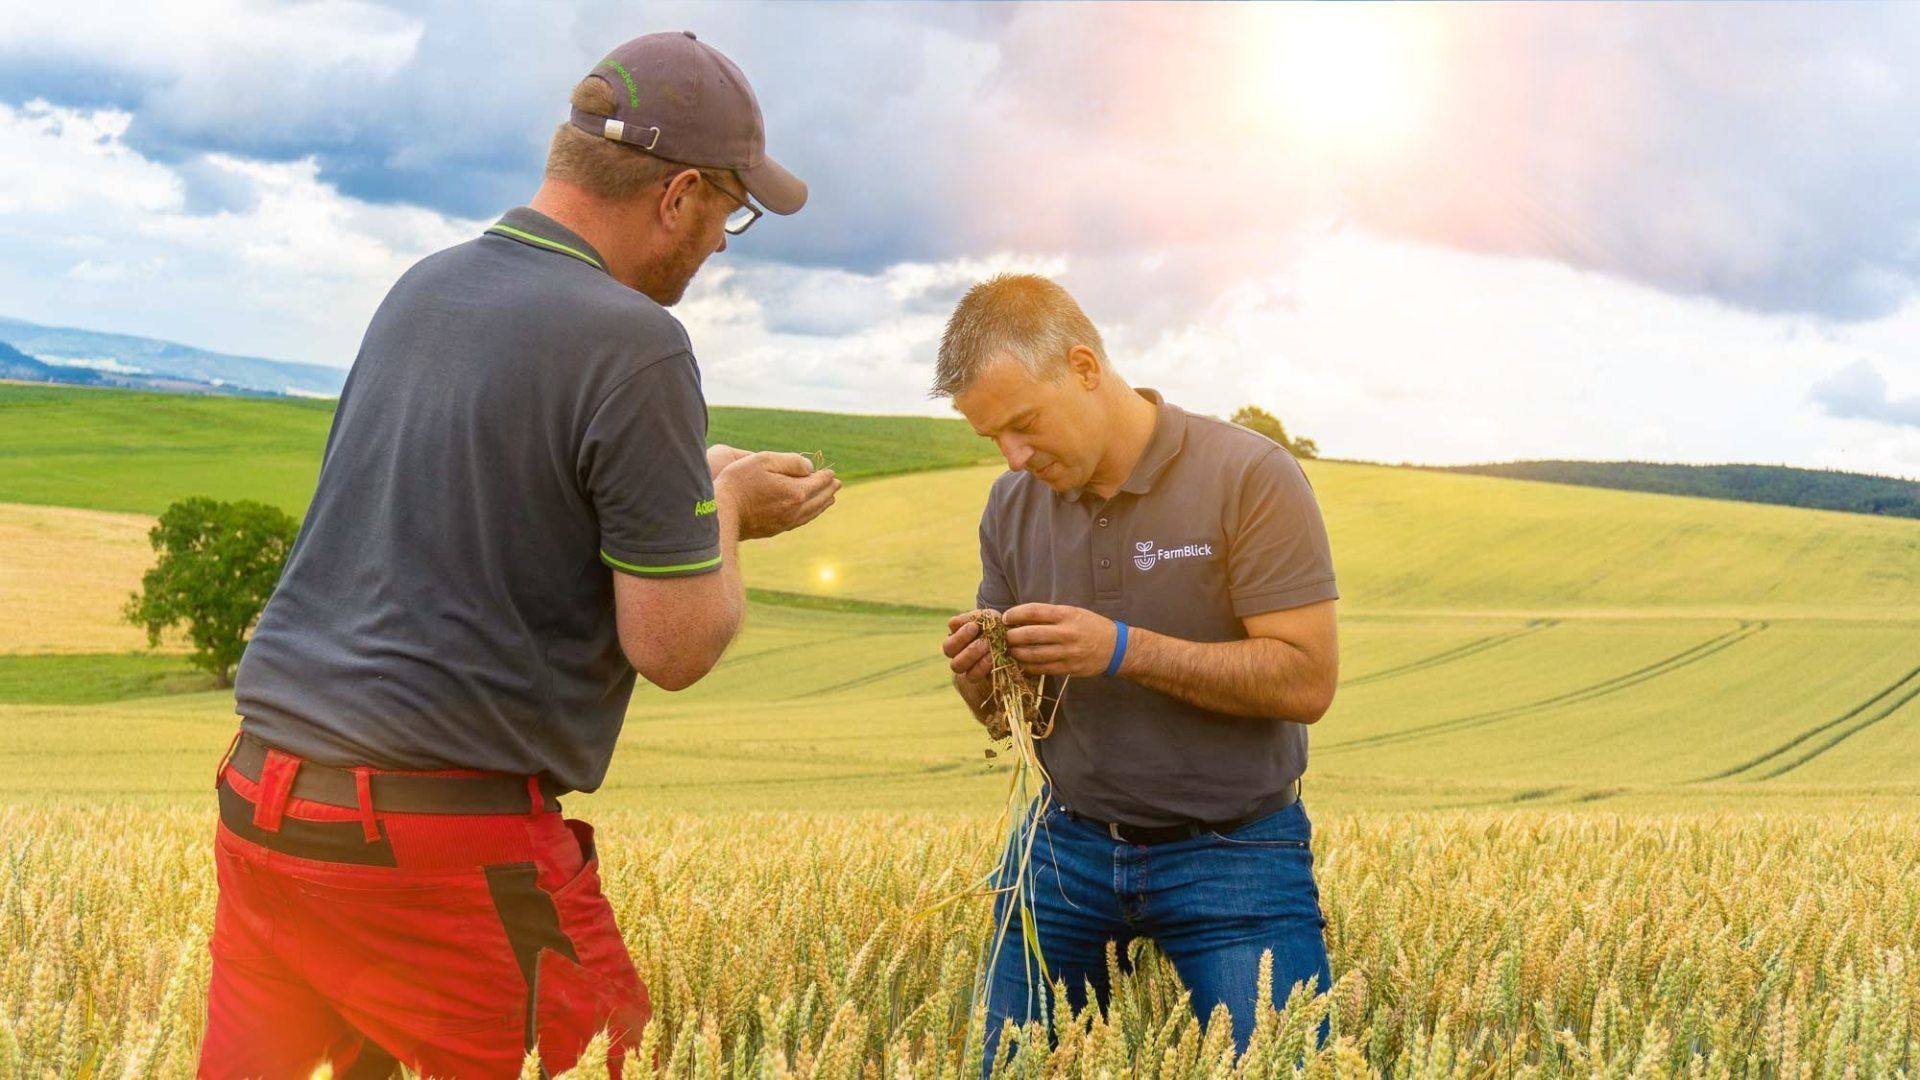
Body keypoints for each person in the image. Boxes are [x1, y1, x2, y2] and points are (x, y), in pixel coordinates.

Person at [199, 32, 838, 1079]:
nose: (724, 243)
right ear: (677, 195)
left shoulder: (425, 288)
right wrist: (724, 510)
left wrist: (689, 493)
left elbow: (487, 512)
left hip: (266, 810)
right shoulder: (635, 342)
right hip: (436, 849)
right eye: (731, 211)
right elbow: (672, 643)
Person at [934, 275, 1339, 1069]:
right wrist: (985, 685)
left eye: (1023, 425)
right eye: (993, 440)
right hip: (1061, 848)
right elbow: (1012, 720)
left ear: (1084, 367)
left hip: (1236, 856)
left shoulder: (1249, 475)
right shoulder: (1011, 506)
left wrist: (1123, 649)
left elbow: (1306, 681)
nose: (1013, 457)